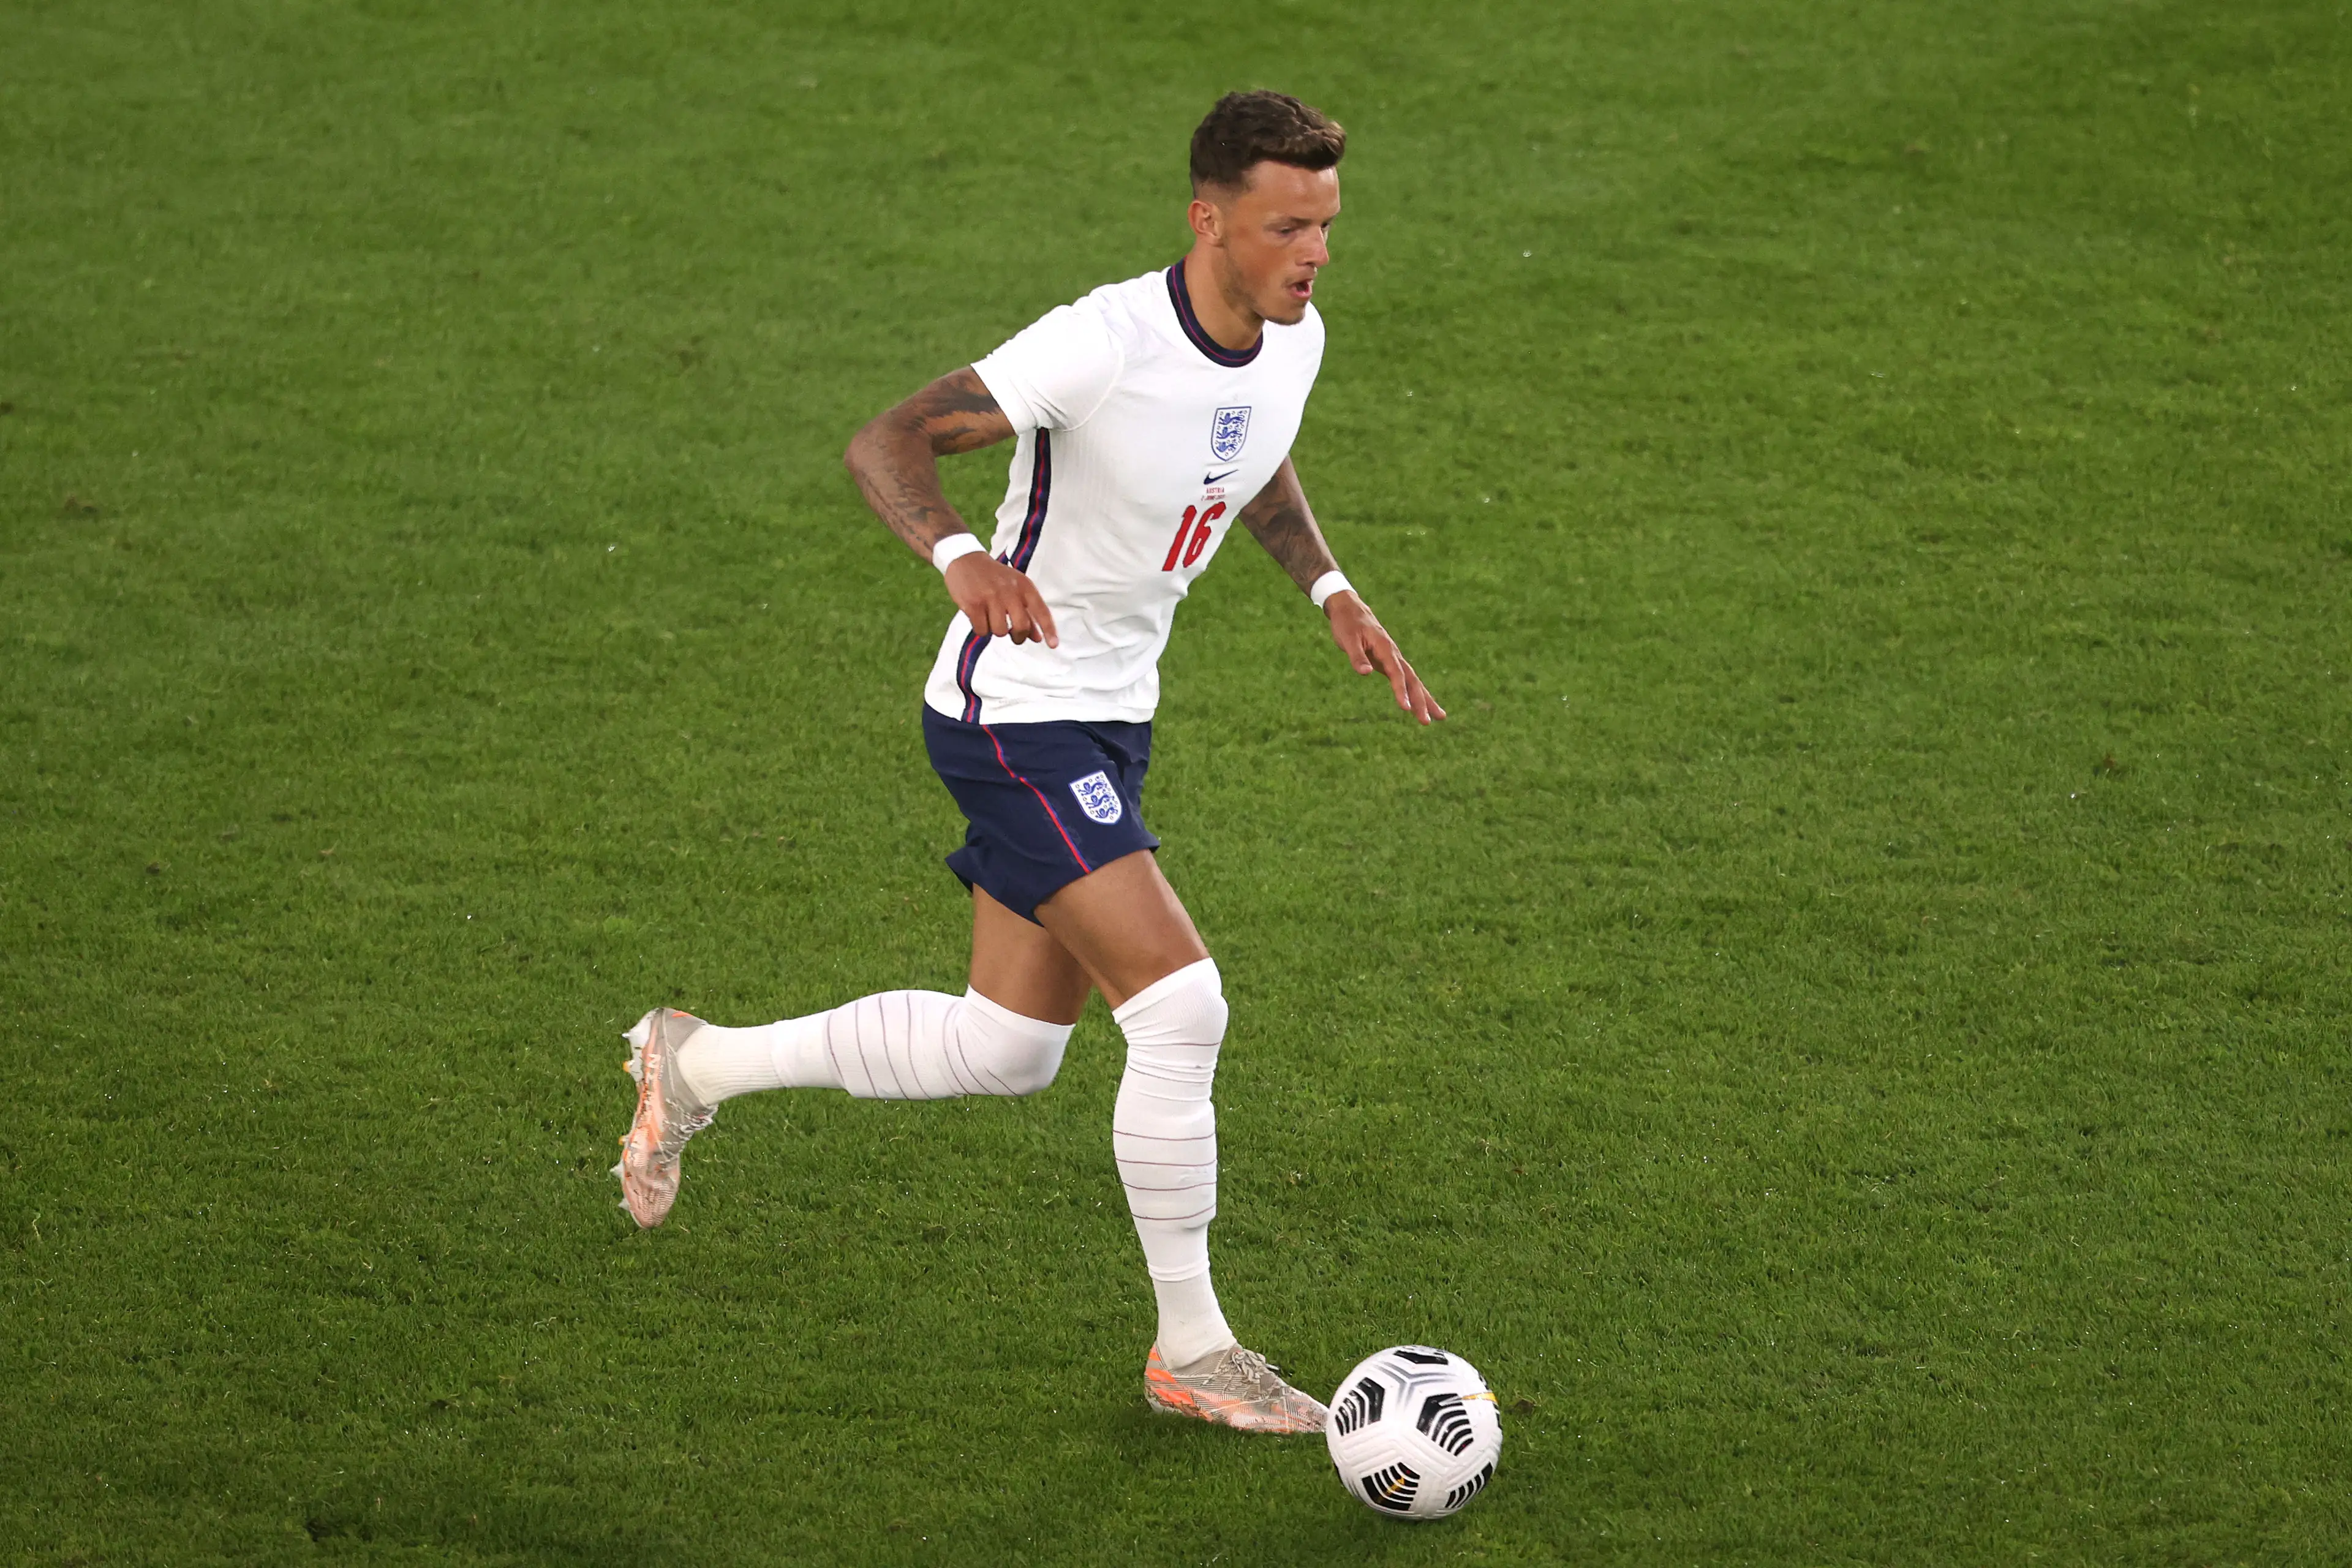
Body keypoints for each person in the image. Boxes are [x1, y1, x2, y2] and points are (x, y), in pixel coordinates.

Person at [614, 89, 1442, 1434]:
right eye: (1289, 225)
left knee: (1007, 1046)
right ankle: (1193, 1347)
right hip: (1015, 711)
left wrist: (1331, 588)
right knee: (1182, 1007)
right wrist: (962, 556)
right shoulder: (1100, 343)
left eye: (1329, 225)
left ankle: (690, 1063)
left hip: (1113, 711)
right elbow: (885, 439)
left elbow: (1256, 455)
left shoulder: (1295, 335)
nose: (1317, 252)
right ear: (1208, 220)